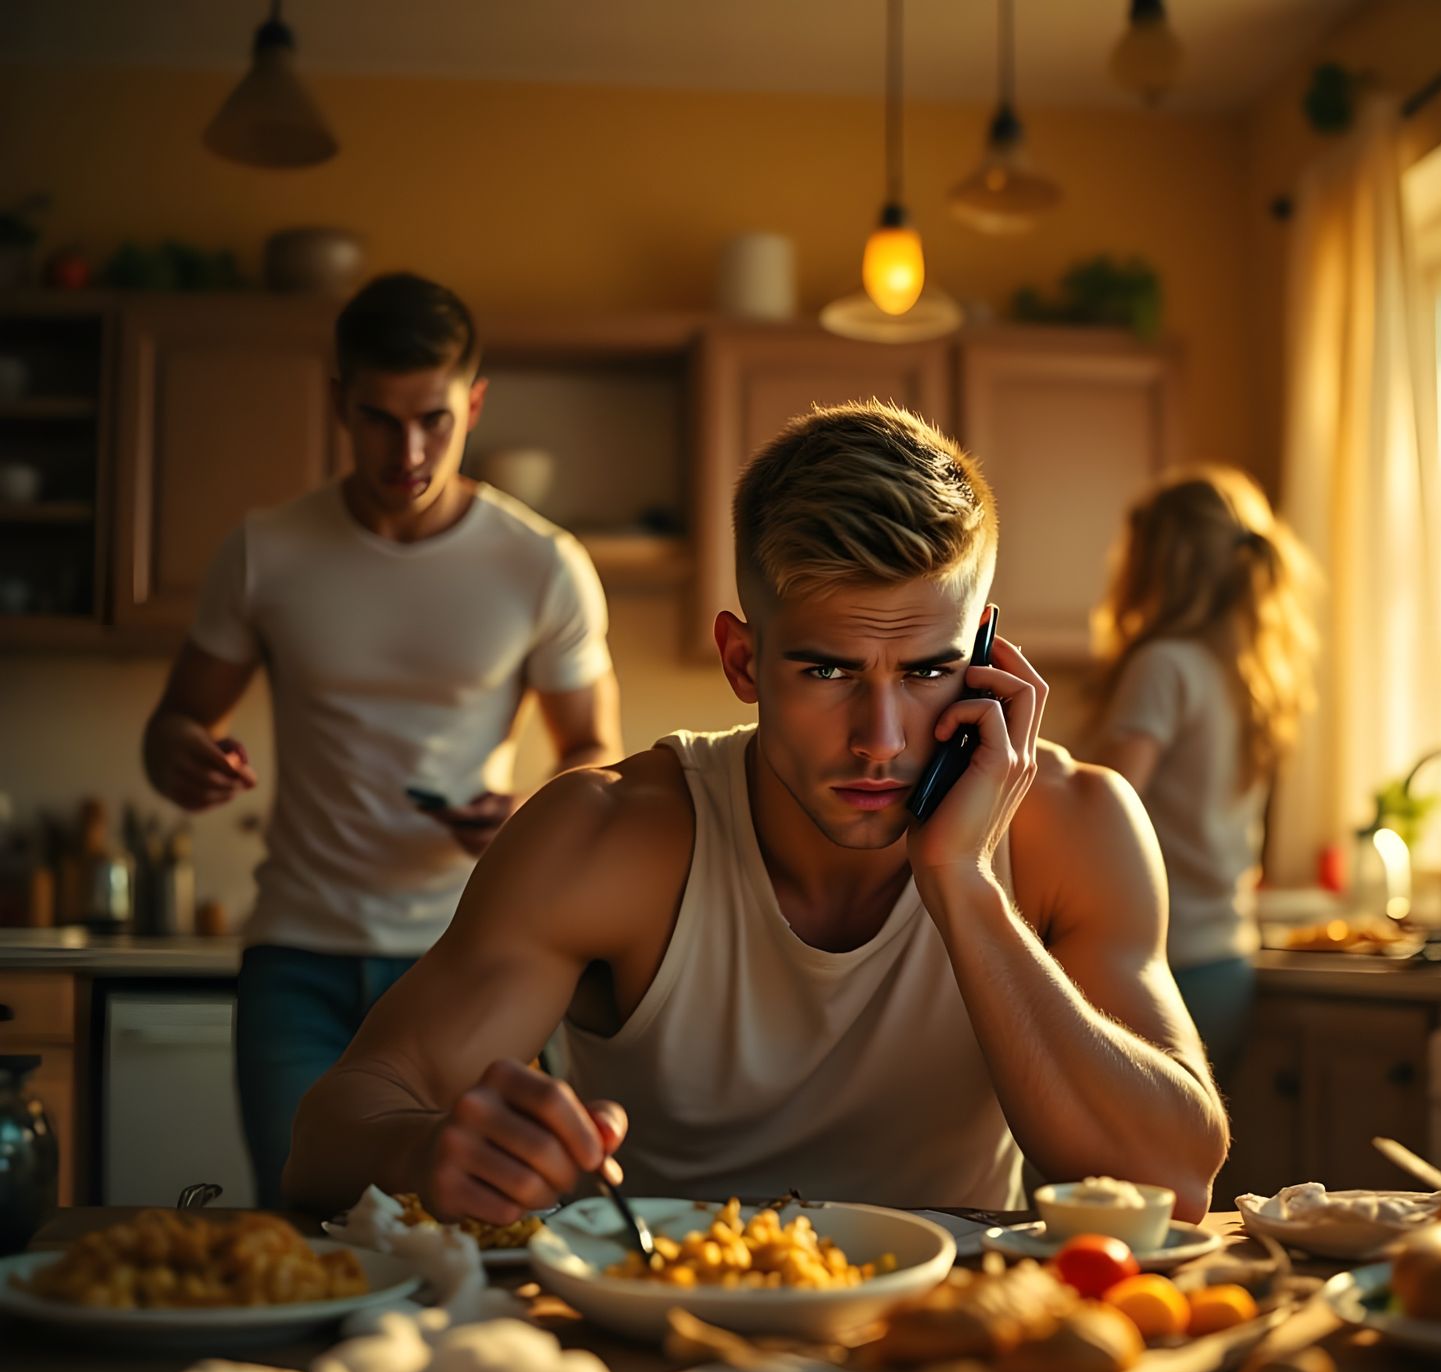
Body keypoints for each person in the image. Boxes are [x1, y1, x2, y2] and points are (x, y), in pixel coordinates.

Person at [285, 401, 1228, 1223]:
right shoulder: (605, 836)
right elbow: (331, 1134)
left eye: (929, 671)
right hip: (658, 1340)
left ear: (983, 659)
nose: (881, 739)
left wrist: (962, 880)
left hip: (955, 1353)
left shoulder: (1078, 824)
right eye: (828, 671)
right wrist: (428, 1156)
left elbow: (1175, 1183)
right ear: (742, 662)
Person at [143, 273, 623, 1205]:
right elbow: (174, 725)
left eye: (433, 420)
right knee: (310, 1219)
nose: (407, 450)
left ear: (473, 404)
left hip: (477, 952)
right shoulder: (265, 551)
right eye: (378, 418)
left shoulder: (542, 565)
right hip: (298, 955)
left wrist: (528, 814)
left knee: (483, 1222)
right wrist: (181, 753)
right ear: (338, 404)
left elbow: (595, 754)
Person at [1084, 465, 1319, 1085]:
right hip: (1226, 961)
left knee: (1121, 1178)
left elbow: (1103, 809)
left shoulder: (1163, 665)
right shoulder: (1249, 675)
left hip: (1157, 961)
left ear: (1160, 563)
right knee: (1186, 1169)